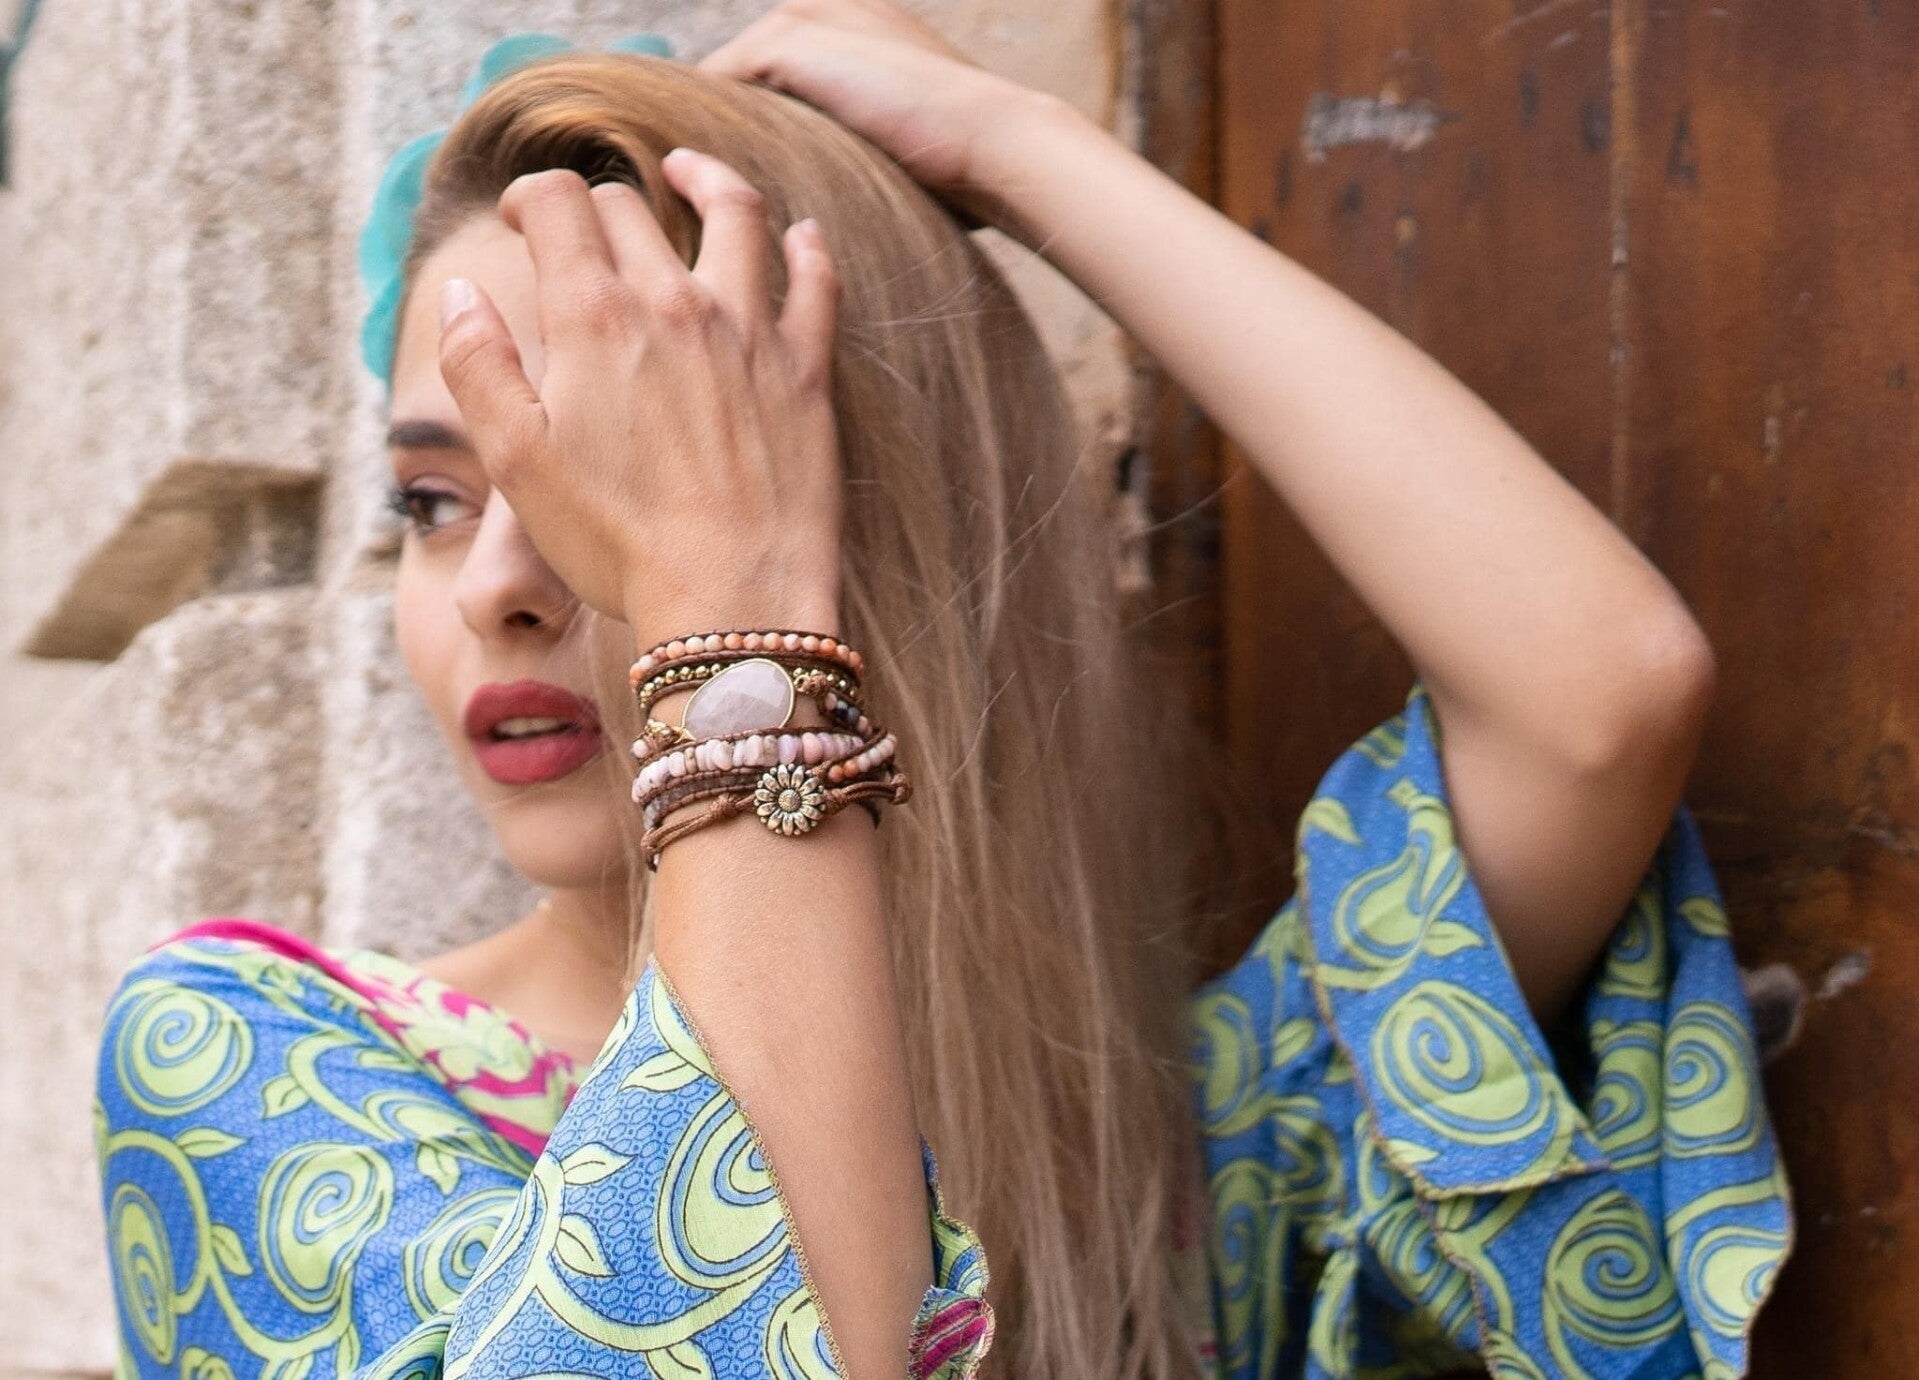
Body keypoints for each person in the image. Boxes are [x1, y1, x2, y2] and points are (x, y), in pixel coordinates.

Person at [91, 4, 1793, 1377]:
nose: (496, 585)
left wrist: (1024, 151)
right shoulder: (253, 1066)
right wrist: (730, 614)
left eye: (616, 475)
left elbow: (1598, 698)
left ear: (877, 530)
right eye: (431, 500)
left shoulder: (1155, 1151)